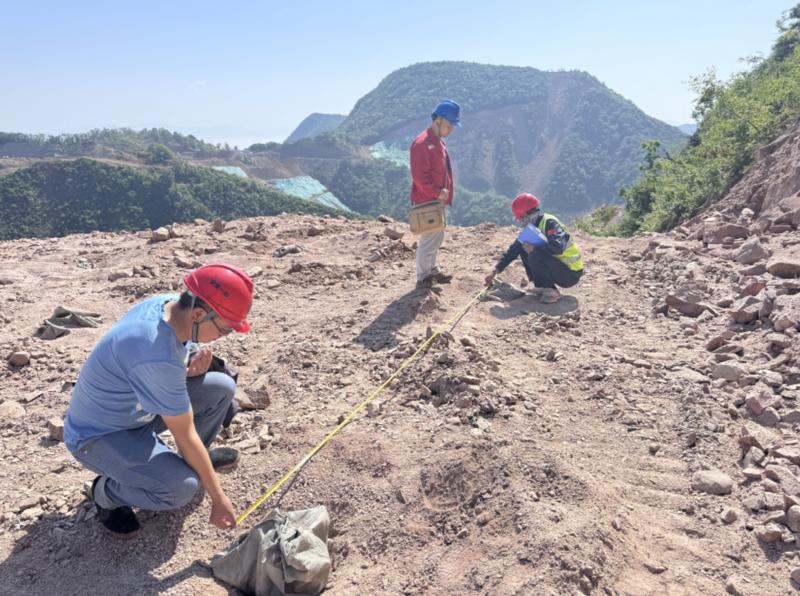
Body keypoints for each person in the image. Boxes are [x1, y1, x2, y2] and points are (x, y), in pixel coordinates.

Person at [63, 263, 254, 537]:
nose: (224, 336)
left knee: (221, 387)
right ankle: (105, 494)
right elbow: (184, 434)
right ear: (199, 314)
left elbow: (164, 359)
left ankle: (191, 464)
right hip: (99, 436)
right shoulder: (154, 351)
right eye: (225, 330)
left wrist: (189, 365)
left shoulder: (169, 306)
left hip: (137, 412)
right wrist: (218, 498)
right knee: (181, 488)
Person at [485, 193, 584, 303]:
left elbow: (558, 247)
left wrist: (535, 248)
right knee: (524, 247)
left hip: (570, 273)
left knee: (534, 252)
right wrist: (496, 270)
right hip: (559, 268)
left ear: (527, 214)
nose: (521, 221)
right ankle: (542, 286)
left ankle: (551, 292)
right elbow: (514, 250)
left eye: (521, 218)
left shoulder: (549, 222)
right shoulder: (533, 228)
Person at [410, 99, 461, 289]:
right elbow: (419, 178)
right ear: (438, 120)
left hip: (437, 200)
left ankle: (431, 269)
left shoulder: (437, 141)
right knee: (429, 240)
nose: (451, 129)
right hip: (428, 200)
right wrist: (438, 192)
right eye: (449, 125)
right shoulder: (422, 143)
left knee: (436, 237)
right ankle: (423, 277)